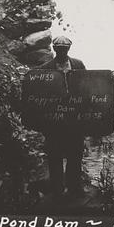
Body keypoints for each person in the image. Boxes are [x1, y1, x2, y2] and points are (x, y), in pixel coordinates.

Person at [39, 36, 86, 197]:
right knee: (55, 156)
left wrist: (109, 79)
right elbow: (39, 95)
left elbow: (90, 86)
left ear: (69, 49)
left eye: (64, 48)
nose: (62, 51)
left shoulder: (78, 64)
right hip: (55, 121)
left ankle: (74, 188)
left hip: (75, 120)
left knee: (75, 155)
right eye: (58, 48)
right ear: (54, 49)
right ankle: (57, 189)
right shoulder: (45, 69)